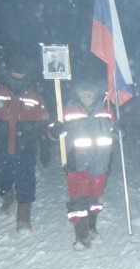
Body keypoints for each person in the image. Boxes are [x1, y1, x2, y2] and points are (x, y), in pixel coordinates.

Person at [0, 54, 51, 232]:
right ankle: (6, 195)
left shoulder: (34, 96)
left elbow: (44, 122)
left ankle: (23, 217)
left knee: (26, 180)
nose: (18, 75)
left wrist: (46, 145)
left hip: (25, 148)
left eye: (22, 72)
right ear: (9, 71)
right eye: (15, 72)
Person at [48, 80, 115, 250]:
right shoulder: (67, 111)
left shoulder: (105, 111)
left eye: (90, 92)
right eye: (83, 92)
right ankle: (82, 237)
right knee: (78, 199)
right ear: (77, 94)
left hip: (101, 163)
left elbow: (114, 129)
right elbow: (50, 129)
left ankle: (91, 227)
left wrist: (120, 129)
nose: (87, 95)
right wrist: (55, 130)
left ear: (95, 94)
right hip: (77, 163)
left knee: (95, 199)